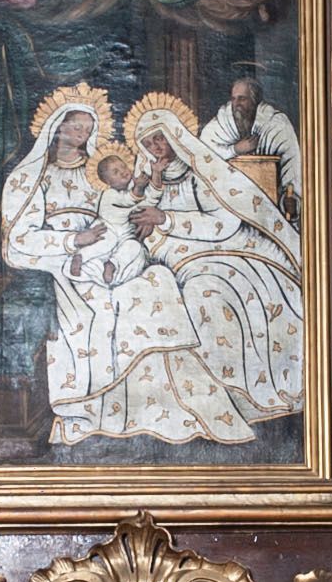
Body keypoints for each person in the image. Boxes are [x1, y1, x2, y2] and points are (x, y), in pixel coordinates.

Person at [0, 88, 255, 448]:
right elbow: (19, 240)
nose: (82, 134)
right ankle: (100, 411)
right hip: (66, 260)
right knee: (100, 305)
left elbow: (128, 206)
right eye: (75, 126)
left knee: (158, 280)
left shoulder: (99, 170)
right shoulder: (32, 176)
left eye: (88, 128)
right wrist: (73, 241)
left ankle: (161, 405)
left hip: (112, 250)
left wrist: (140, 223)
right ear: (56, 126)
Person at [124, 99, 305, 433]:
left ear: (174, 135)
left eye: (159, 138)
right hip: (173, 253)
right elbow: (136, 214)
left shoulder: (200, 171)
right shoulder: (152, 178)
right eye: (148, 143)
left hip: (221, 249)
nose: (155, 147)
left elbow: (223, 224)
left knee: (205, 294)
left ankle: (237, 394)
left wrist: (166, 219)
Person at [199, 73, 302, 217]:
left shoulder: (276, 125)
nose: (236, 104)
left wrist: (291, 199)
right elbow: (201, 153)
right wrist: (235, 149)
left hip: (268, 209)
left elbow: (291, 162)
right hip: (229, 209)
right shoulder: (221, 124)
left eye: (242, 99)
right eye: (234, 99)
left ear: (254, 101)